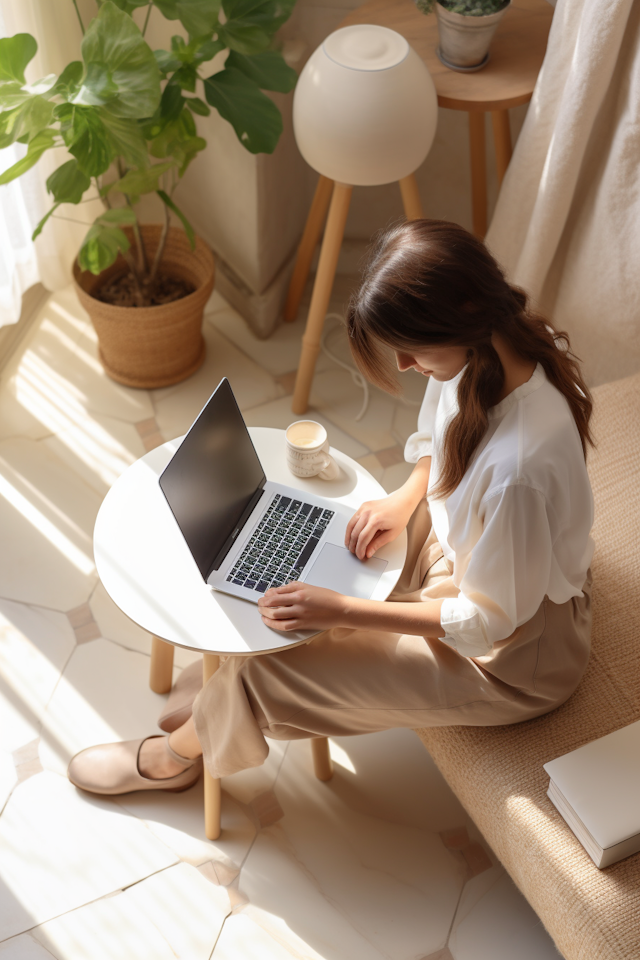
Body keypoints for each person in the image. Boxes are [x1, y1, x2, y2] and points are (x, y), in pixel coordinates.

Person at [67, 219, 594, 796]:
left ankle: (174, 758)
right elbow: (442, 448)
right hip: (472, 564)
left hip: (511, 658)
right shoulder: (490, 355)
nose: (404, 367)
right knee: (329, 549)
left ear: (462, 316)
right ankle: (227, 687)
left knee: (276, 669)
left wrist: (343, 610)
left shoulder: (518, 470)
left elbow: (487, 621)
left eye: (412, 351)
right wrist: (403, 498)